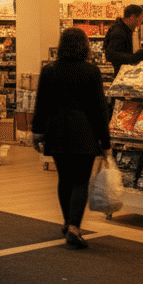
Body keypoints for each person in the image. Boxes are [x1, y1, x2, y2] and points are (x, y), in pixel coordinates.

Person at [31, 27, 113, 250]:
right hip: (84, 131)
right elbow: (99, 109)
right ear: (85, 45)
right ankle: (75, 228)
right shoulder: (91, 72)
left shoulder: (49, 71)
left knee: (64, 179)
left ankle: (67, 222)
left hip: (56, 131)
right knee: (80, 180)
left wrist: (37, 131)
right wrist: (105, 141)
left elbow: (41, 103)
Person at [104, 4, 143, 76]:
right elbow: (111, 55)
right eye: (140, 20)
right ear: (132, 17)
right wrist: (136, 56)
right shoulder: (118, 32)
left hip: (125, 73)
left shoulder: (125, 30)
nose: (140, 24)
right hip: (121, 75)